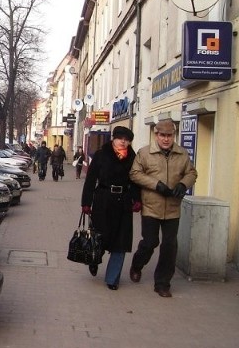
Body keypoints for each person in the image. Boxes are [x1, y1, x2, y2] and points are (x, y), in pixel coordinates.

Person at [129, 119, 197, 298]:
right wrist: (156, 185)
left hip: (173, 207)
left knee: (169, 245)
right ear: (156, 135)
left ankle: (162, 283)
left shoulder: (182, 154)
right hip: (151, 206)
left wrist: (183, 184)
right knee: (150, 242)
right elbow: (134, 174)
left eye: (169, 135)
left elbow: (191, 173)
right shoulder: (145, 153)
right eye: (162, 135)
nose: (166, 139)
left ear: (173, 136)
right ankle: (137, 264)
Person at [81, 126, 141, 290]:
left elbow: (135, 180)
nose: (123, 141)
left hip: (123, 203)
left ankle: (112, 279)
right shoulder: (102, 155)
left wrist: (137, 199)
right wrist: (86, 203)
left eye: (127, 139)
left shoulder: (132, 158)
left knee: (120, 243)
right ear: (113, 139)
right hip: (103, 201)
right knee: (100, 238)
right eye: (120, 138)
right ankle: (94, 259)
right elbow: (91, 179)